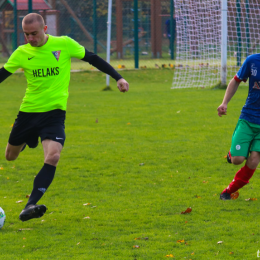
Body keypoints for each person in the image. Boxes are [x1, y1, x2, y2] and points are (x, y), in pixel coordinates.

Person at [0, 13, 129, 221]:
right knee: (10, 156)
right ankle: (26, 140)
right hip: (28, 113)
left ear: (45, 30)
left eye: (34, 34)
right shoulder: (21, 53)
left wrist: (118, 77)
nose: (30, 38)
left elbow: (92, 58)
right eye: (26, 35)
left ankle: (30, 205)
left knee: (53, 156)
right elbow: (3, 74)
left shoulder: (64, 44)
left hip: (54, 114)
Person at [217, 54, 260, 200]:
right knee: (237, 160)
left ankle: (228, 191)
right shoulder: (252, 61)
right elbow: (235, 81)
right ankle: (231, 154)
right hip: (248, 118)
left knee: (254, 159)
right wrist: (224, 103)